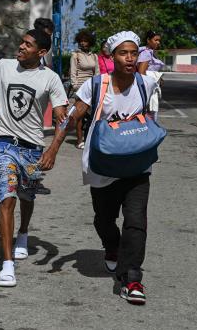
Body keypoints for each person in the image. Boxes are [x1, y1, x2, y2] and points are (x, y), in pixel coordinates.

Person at [46, 31, 157, 305]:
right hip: (102, 166)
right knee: (104, 219)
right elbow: (72, 118)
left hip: (136, 166)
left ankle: (131, 278)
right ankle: (111, 246)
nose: (130, 58)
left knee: (136, 221)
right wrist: (53, 148)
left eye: (133, 53)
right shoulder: (96, 85)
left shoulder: (147, 84)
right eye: (123, 53)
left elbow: (149, 121)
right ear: (112, 56)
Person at [0, 29, 68, 287]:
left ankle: (23, 233)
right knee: (7, 196)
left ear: (41, 52)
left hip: (32, 147)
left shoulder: (51, 79)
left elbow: (62, 118)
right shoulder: (3, 67)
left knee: (26, 195)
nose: (21, 47)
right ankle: (7, 264)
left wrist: (53, 149)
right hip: (3, 143)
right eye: (21, 42)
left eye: (28, 44)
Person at [70, 29, 99, 149]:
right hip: (80, 87)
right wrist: (76, 87)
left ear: (90, 42)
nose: (83, 43)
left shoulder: (94, 56)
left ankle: (90, 138)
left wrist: (98, 86)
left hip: (92, 86)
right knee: (80, 115)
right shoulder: (75, 55)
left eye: (85, 41)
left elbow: (97, 72)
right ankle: (79, 140)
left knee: (94, 115)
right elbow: (72, 72)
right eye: (81, 41)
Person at [137, 30, 164, 120]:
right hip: (147, 89)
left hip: (151, 88)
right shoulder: (146, 53)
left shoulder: (151, 53)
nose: (158, 42)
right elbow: (141, 73)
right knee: (148, 115)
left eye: (159, 40)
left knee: (150, 114)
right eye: (155, 40)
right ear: (148, 40)